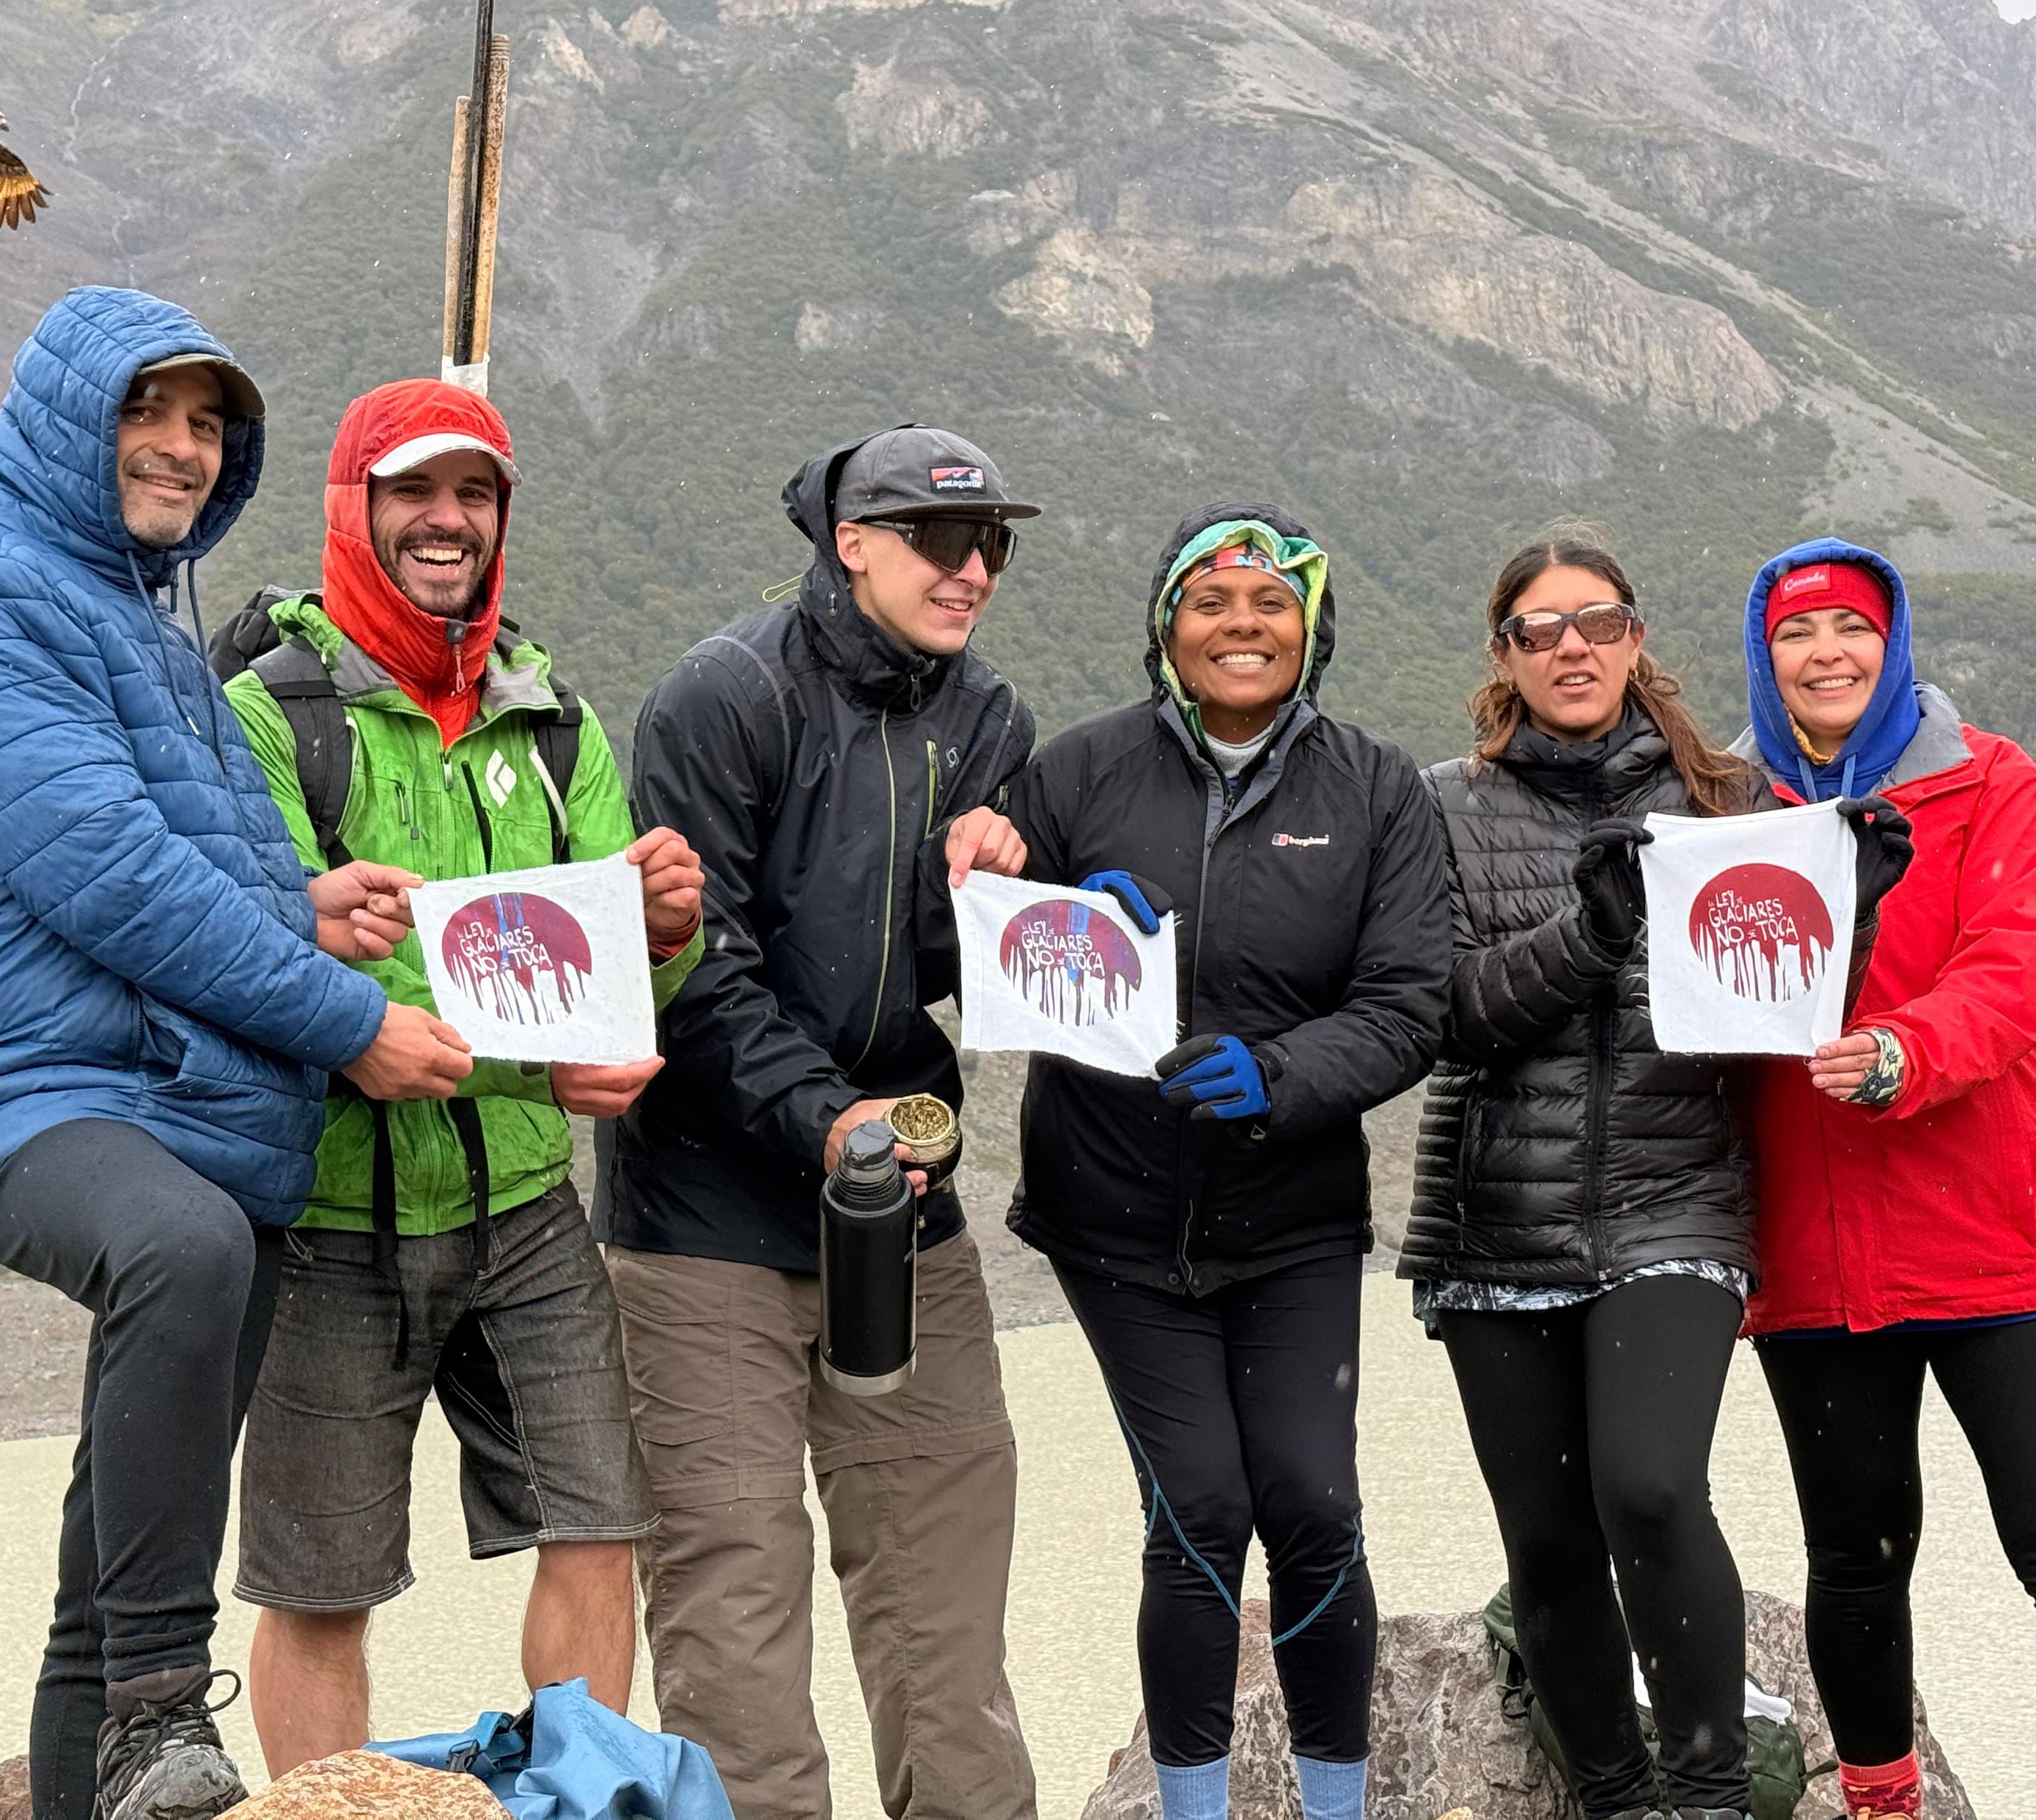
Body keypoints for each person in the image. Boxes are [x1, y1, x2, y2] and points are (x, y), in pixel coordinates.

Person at [0, 289, 475, 1820]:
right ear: (73, 420)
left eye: (211, 424)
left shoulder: (150, 627)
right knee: (182, 1252)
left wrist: (303, 904)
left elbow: (186, 861)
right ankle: (158, 1715)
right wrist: (351, 1021)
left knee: (107, 1568)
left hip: (207, 1106)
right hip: (41, 1095)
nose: (184, 449)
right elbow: (107, 877)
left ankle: (114, 1737)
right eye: (151, 412)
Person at [218, 380, 708, 1771]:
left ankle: (586, 1800)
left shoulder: (553, 721)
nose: (448, 522)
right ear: (352, 511)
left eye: (475, 495)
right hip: (325, 1215)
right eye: (415, 494)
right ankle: (331, 1812)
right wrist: (535, 1074)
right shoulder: (267, 720)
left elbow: (608, 983)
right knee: (321, 1587)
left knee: (601, 1525)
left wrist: (665, 934)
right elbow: (293, 977)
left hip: (527, 1215)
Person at [1400, 528, 1905, 1820]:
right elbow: (1446, 1015)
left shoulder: (1728, 799)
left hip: (1677, 1200)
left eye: (1598, 621)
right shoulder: (1442, 804)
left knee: (1650, 1484)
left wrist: (1856, 911)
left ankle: (1708, 1790)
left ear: (1635, 639)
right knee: (1552, 1539)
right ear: (1503, 657)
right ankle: (1618, 1797)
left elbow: (1782, 1015)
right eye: (1539, 629)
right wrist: (1592, 932)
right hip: (1492, 1220)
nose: (1572, 646)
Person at [600, 425, 1043, 1820]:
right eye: (936, 538)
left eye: (991, 544)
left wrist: (1009, 893)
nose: (969, 570)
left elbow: (936, 972)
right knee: (732, 1608)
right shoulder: (720, 697)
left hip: (905, 1211)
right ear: (849, 542)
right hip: (705, 1224)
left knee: (944, 1598)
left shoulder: (992, 720)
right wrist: (835, 1121)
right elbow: (697, 969)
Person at [1734, 539, 2036, 1820]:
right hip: (1818, 1260)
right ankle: (1883, 1804)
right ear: (1763, 656)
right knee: (1858, 1559)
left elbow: (2011, 979)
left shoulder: (1994, 785)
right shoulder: (1728, 813)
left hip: (2006, 1244)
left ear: (1894, 641)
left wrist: (1901, 1052)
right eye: (1796, 633)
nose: (1826, 653)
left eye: (1850, 626)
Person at [1000, 508, 1452, 1820]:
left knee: (1311, 1498)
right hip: (1112, 1217)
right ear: (1165, 628)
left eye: (1269, 601)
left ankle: (1337, 1805)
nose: (1240, 623)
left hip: (1296, 1215)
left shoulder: (1376, 790)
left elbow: (1408, 1001)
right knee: (1199, 1504)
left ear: (1311, 628)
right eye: (1209, 600)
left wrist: (1285, 1077)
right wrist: (1063, 916)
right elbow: (973, 934)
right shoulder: (1079, 772)